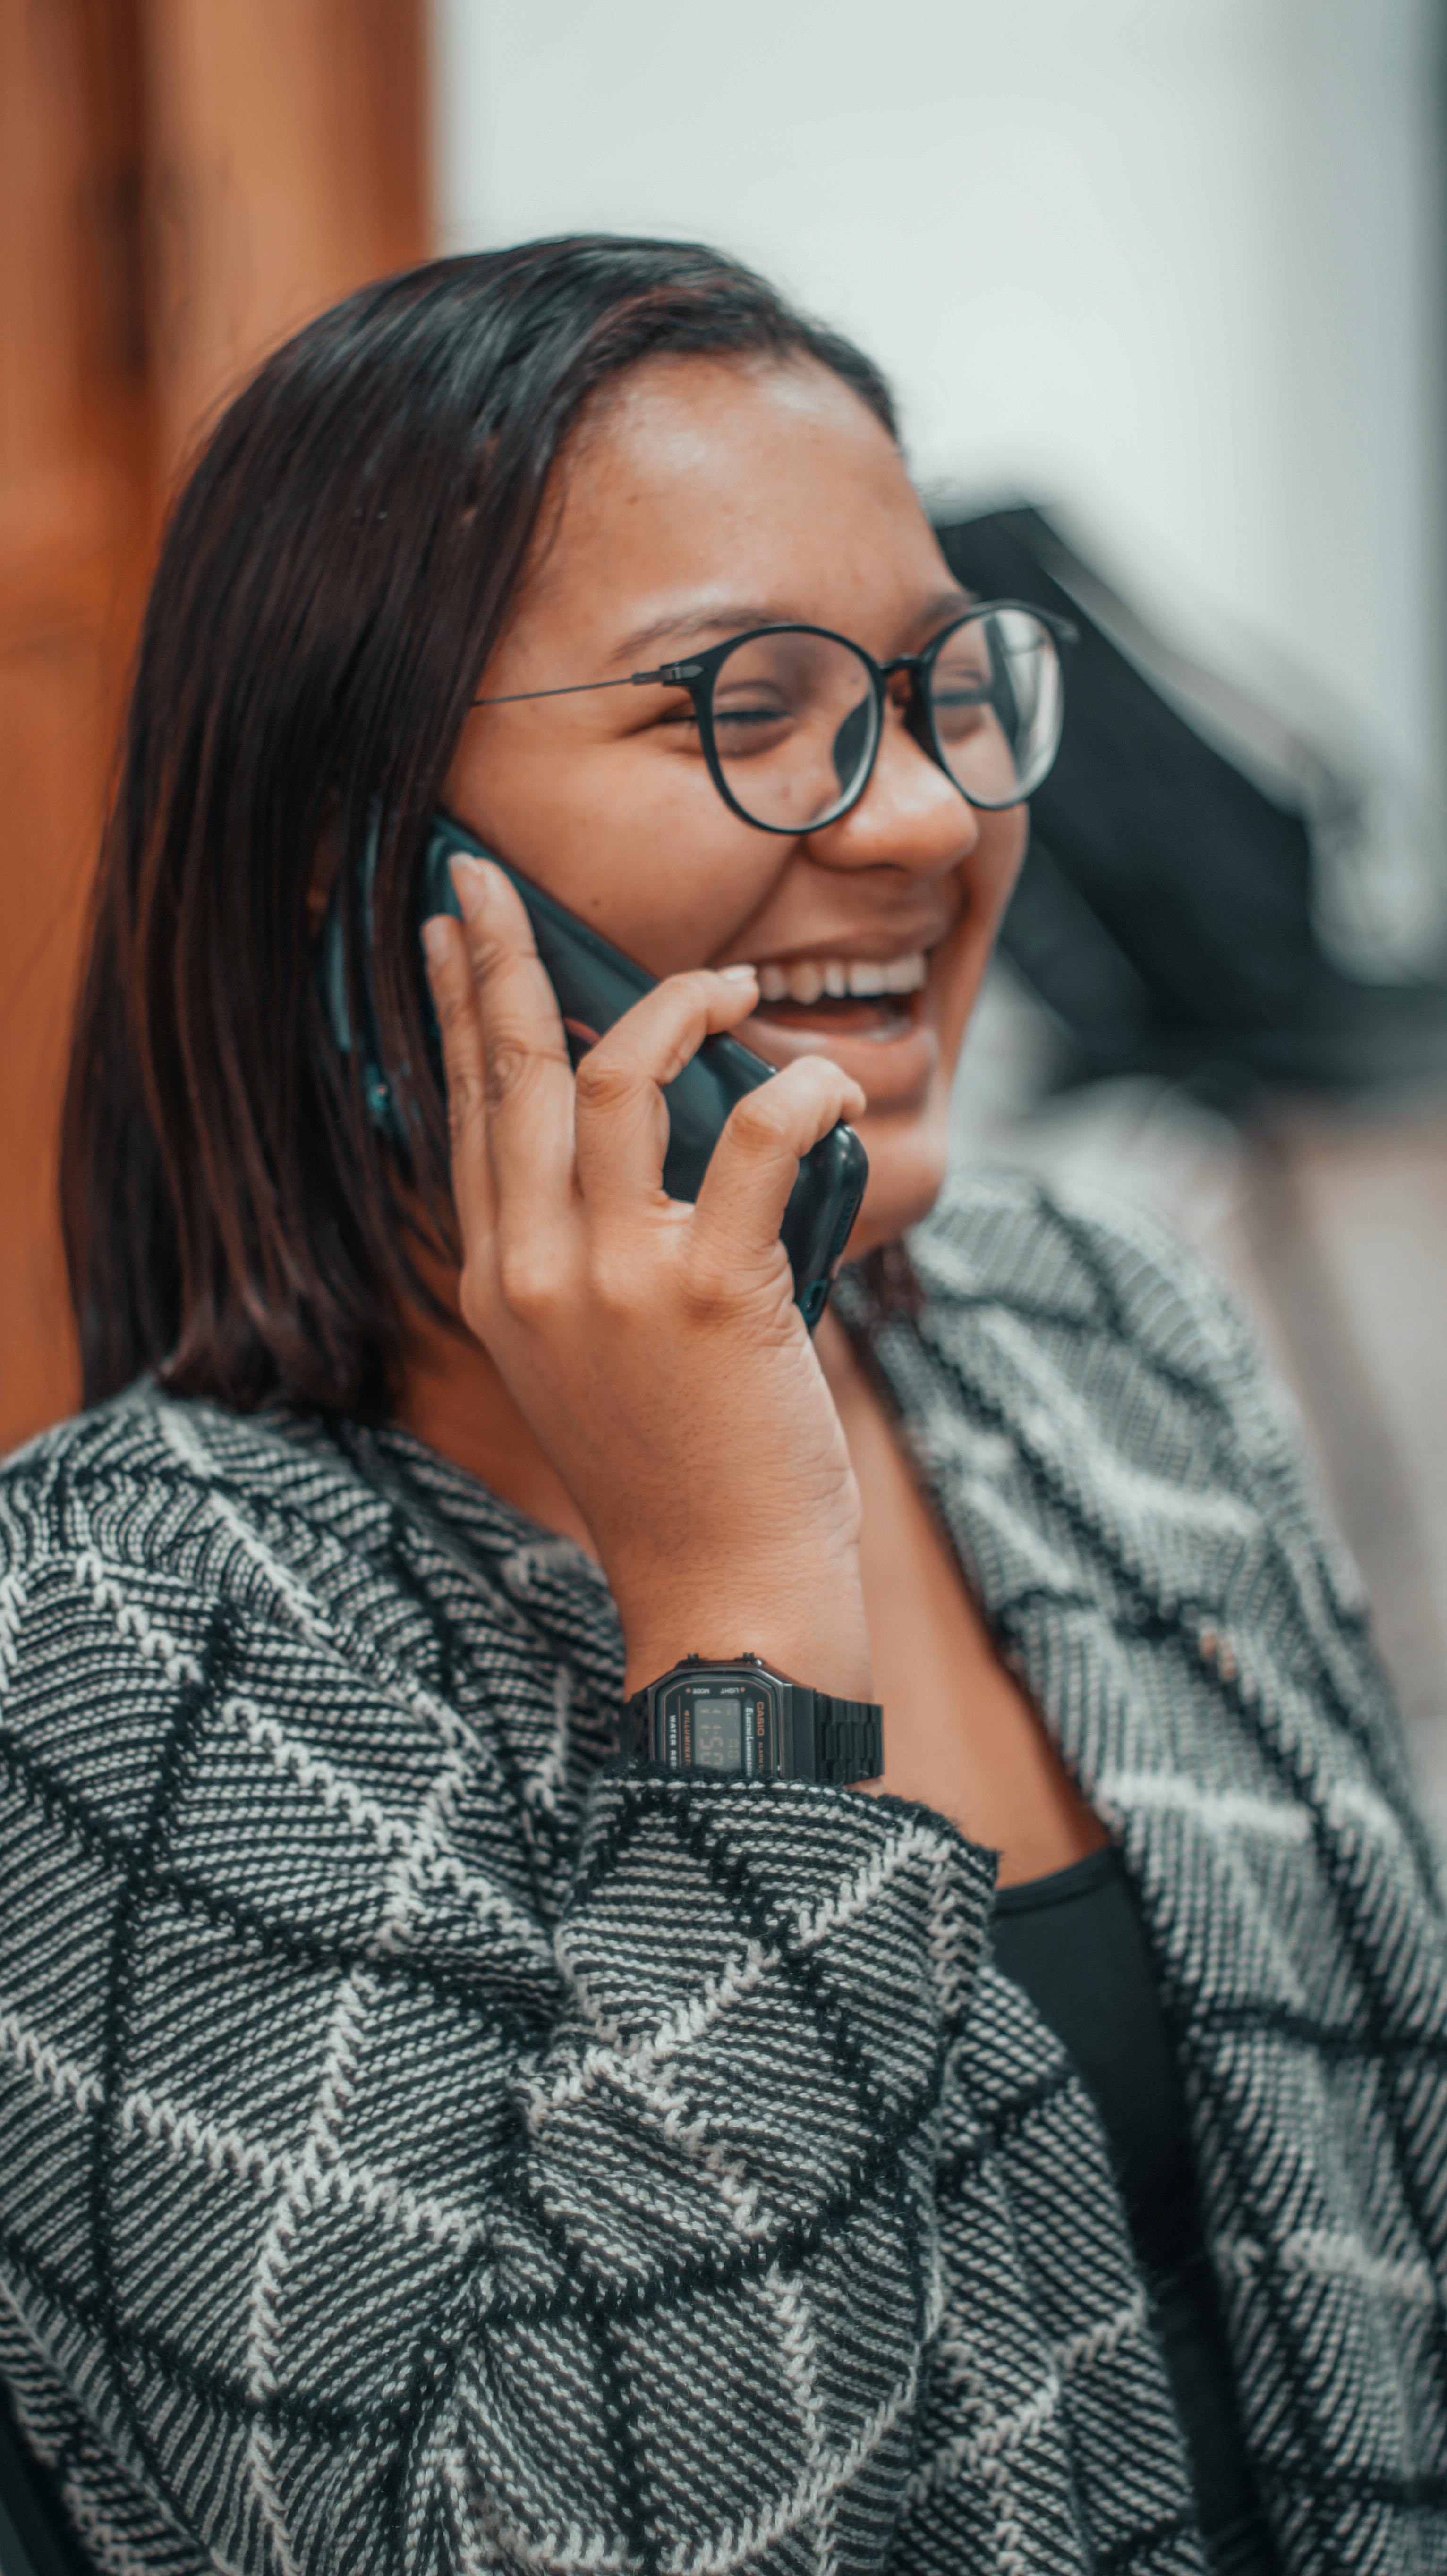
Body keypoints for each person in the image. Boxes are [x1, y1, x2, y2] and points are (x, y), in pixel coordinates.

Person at [0, 237, 1442, 2576]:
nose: (919, 822)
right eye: (738, 707)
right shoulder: (125, 1628)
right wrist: (740, 1616)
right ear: (358, 853)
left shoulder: (1093, 1328)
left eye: (947, 689)